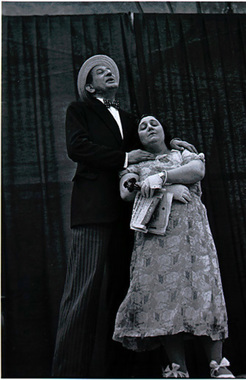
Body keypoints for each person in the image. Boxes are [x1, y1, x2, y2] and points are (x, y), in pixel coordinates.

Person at [52, 55, 196, 378]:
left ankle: (123, 372)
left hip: (131, 214)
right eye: (99, 72)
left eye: (111, 70)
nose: (108, 73)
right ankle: (67, 373)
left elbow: (148, 140)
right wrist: (124, 157)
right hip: (93, 211)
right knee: (82, 292)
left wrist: (170, 142)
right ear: (89, 86)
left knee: (126, 292)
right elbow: (77, 148)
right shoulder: (80, 111)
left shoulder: (129, 118)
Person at [113, 115, 235, 379]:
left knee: (203, 292)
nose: (149, 128)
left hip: (193, 239)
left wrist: (163, 176)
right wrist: (167, 191)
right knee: (163, 298)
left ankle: (218, 364)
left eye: (153, 123)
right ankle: (178, 368)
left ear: (164, 130)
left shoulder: (183, 153)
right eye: (142, 127)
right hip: (157, 243)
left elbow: (197, 171)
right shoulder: (137, 164)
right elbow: (127, 191)